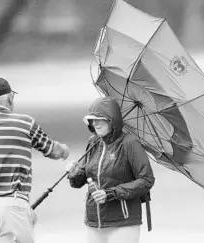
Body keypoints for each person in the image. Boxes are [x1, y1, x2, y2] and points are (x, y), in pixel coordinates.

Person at [0, 77, 69, 243]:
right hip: (11, 205)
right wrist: (65, 150)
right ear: (10, 98)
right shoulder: (24, 123)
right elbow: (54, 152)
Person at [66, 97, 155, 243]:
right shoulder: (93, 142)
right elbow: (81, 181)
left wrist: (111, 194)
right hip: (94, 222)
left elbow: (146, 180)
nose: (94, 123)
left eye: (99, 119)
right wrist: (75, 174)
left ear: (111, 120)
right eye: (92, 120)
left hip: (124, 224)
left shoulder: (130, 143)